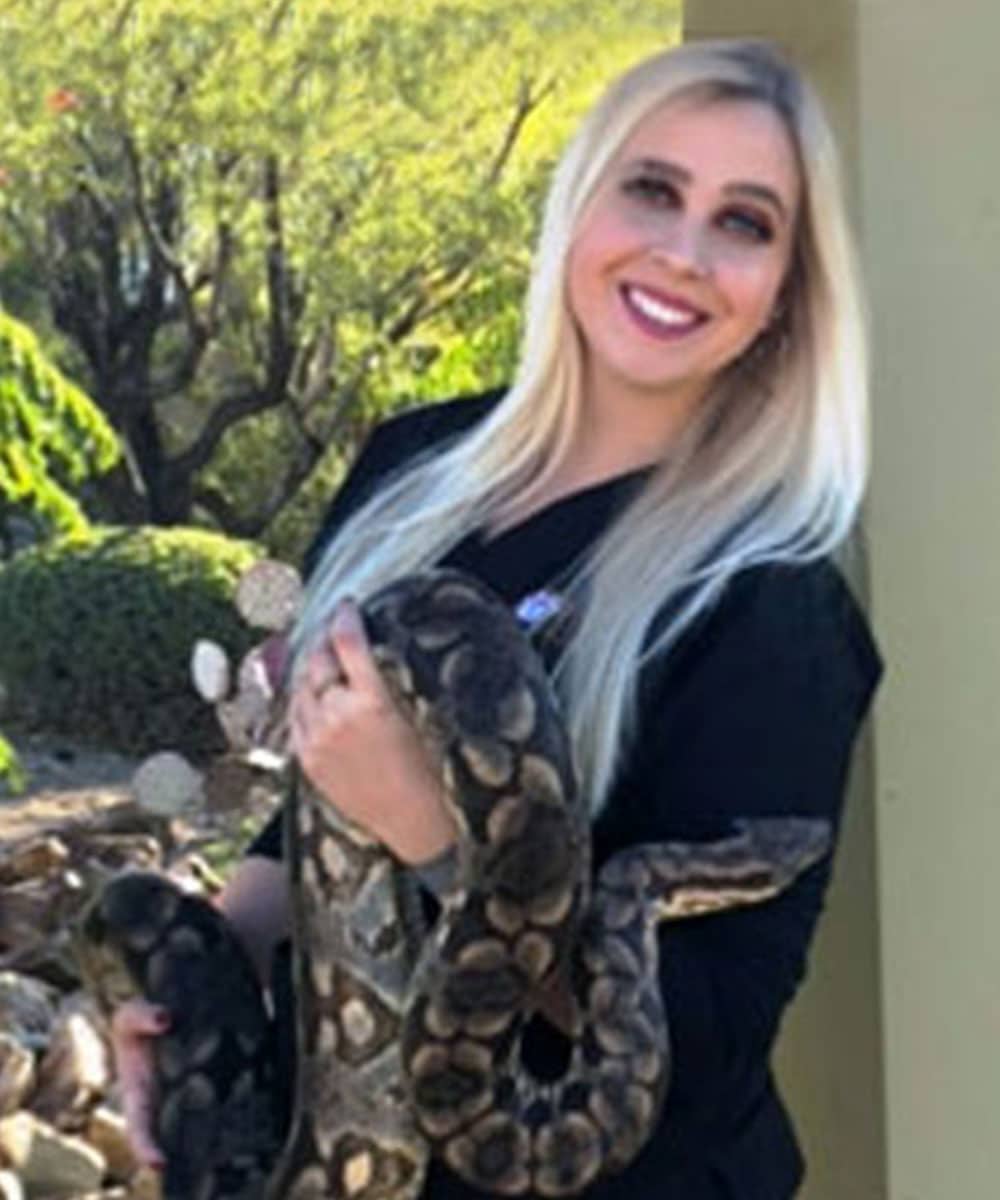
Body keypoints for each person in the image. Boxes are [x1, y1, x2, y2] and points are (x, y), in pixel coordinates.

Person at [111, 37, 882, 1199]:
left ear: (785, 293)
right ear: (581, 206)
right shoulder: (411, 467)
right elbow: (306, 811)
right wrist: (189, 994)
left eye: (745, 222)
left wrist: (439, 834)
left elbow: (710, 1060)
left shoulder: (775, 606)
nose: (680, 253)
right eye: (653, 189)